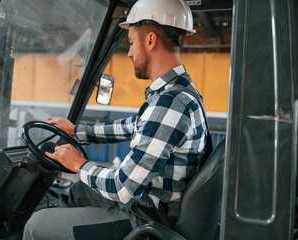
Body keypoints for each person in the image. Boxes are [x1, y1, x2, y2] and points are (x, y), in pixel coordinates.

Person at [23, 0, 212, 239]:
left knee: (36, 225)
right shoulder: (179, 90)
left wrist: (78, 164)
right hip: (149, 204)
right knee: (80, 189)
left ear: (150, 40)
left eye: (132, 43)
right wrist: (77, 132)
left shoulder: (170, 104)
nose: (130, 52)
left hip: (148, 219)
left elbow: (123, 189)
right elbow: (131, 126)